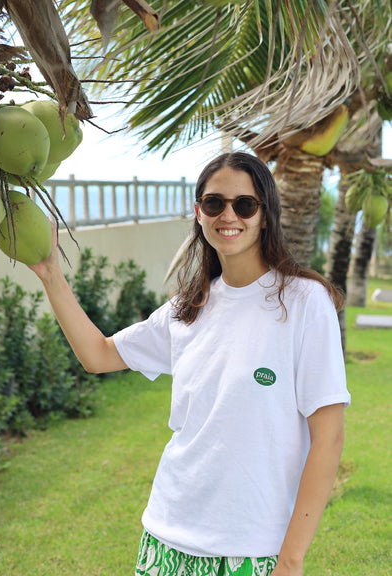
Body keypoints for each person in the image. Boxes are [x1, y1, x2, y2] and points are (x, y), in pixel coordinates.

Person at [29, 151, 350, 576]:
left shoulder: (304, 303)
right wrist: (52, 274)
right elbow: (99, 355)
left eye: (245, 204)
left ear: (265, 215)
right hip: (167, 536)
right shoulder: (188, 308)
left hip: (253, 548)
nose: (228, 215)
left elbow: (327, 437)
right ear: (199, 213)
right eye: (215, 203)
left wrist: (291, 559)